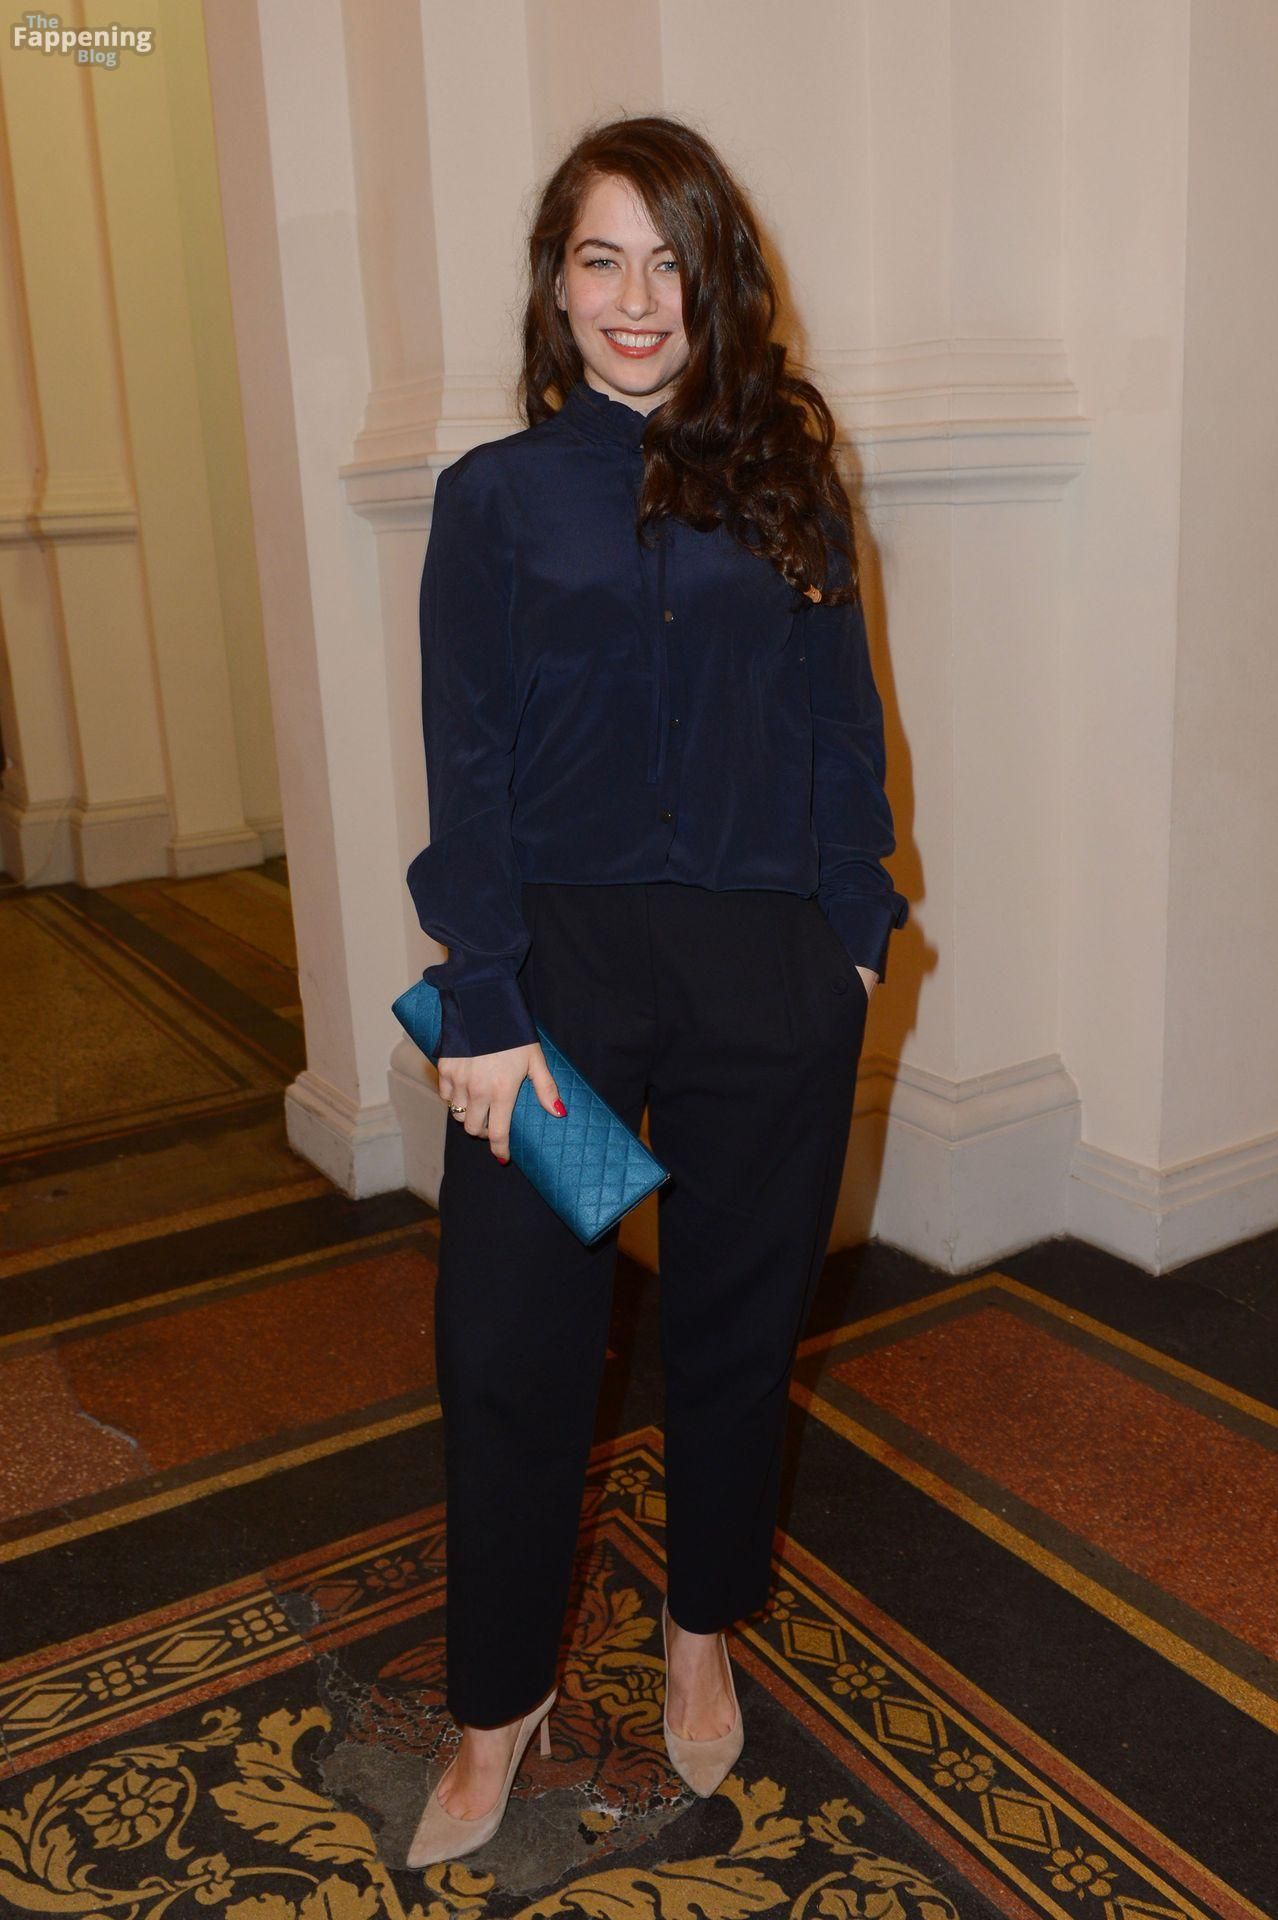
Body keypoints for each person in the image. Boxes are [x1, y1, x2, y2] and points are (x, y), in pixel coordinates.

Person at [403, 113, 908, 1866]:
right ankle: (497, 1706)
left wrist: (852, 930)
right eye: (601, 258)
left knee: (736, 1335)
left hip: (769, 978)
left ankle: (701, 1630)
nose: (637, 297)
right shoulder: (493, 498)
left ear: (718, 281)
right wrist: (481, 999)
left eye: (670, 261)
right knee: (509, 1350)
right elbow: (466, 764)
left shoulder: (789, 481)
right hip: (556, 989)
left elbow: (843, 729)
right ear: (555, 284)